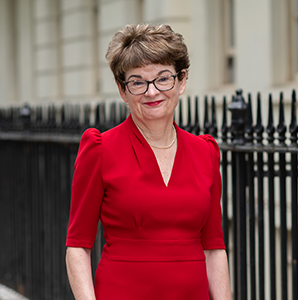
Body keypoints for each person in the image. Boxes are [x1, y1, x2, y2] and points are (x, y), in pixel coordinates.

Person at [65, 23, 231, 300]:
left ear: (181, 81)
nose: (152, 92)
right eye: (138, 82)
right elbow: (78, 246)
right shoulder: (100, 149)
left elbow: (213, 247)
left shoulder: (206, 152)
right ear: (123, 91)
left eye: (163, 78)